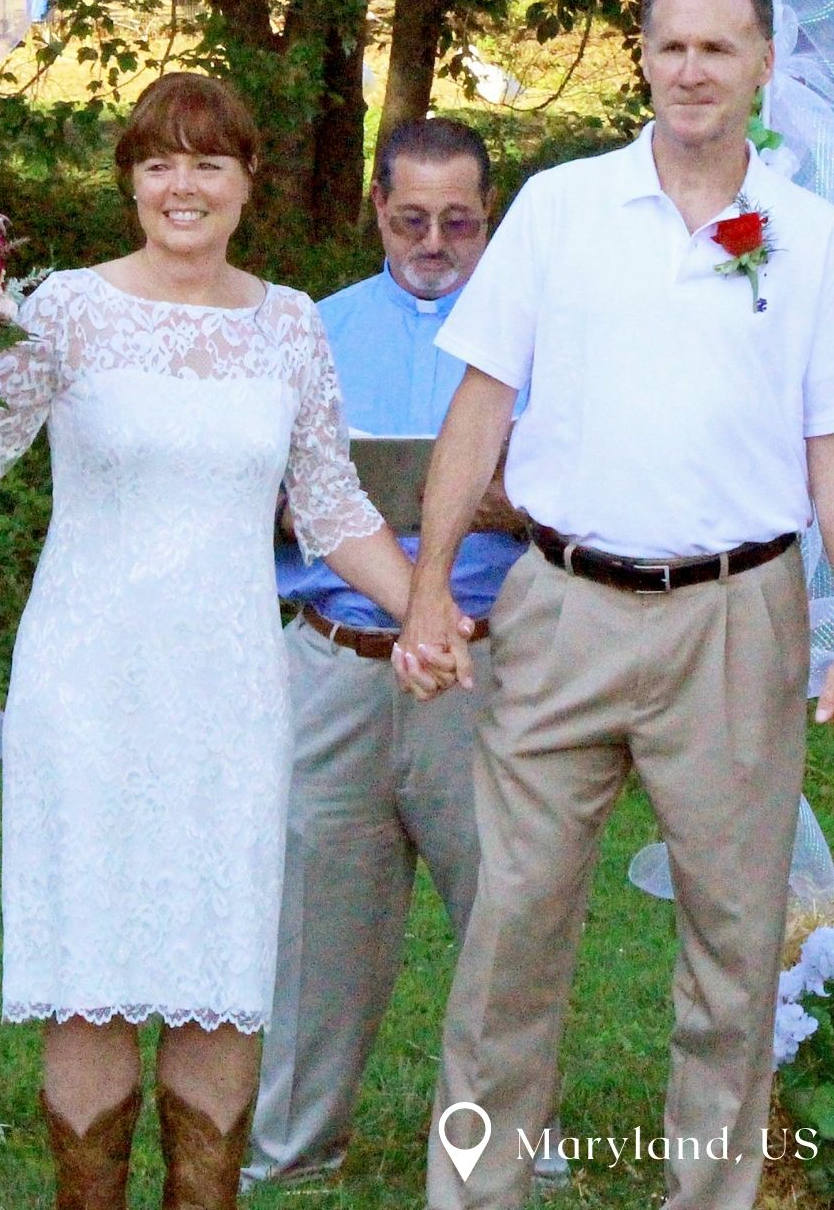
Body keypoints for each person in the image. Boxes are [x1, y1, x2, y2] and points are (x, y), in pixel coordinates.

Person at [0, 73, 441, 1210]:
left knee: (216, 974)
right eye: (157, 163)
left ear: (247, 183)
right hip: (86, 686)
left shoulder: (289, 323)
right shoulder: (65, 310)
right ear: (130, 182)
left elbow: (331, 505)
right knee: (88, 979)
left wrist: (423, 609)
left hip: (229, 689)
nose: (181, 186)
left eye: (208, 163)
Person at [396, 0, 834, 1210]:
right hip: (563, 609)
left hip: (741, 620)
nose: (692, 69)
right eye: (671, 44)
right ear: (643, 55)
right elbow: (481, 407)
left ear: (761, 63)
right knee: (509, 944)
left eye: (718, 46)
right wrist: (432, 591)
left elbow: (825, 452)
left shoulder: (807, 239)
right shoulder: (561, 207)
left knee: (735, 953)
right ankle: (473, 1195)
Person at [245, 118, 566, 1189]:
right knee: (313, 916)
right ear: (378, 209)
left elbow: (596, 495)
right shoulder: (313, 330)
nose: (434, 242)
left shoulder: (546, 336)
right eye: (412, 218)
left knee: (506, 904)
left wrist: (500, 498)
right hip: (335, 650)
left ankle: (518, 1136)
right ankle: (293, 1143)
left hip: (487, 659)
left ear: (492, 218)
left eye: (460, 222)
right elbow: (258, 490)